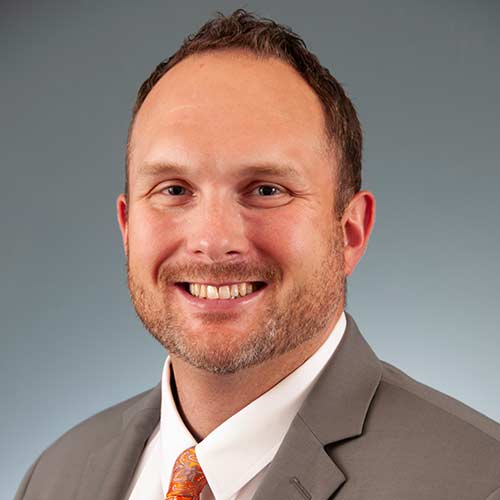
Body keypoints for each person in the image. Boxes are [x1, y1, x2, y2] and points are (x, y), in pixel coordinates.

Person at [14, 9, 500, 500]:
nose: (212, 239)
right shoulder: (54, 477)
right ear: (126, 226)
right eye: (174, 189)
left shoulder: (481, 482)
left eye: (266, 189)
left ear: (350, 232)